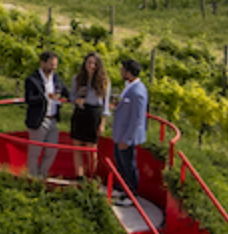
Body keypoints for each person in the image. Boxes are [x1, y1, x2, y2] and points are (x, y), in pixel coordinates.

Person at [65, 52, 108, 182]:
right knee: (77, 146)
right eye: (89, 62)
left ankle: (91, 176)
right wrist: (75, 100)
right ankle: (80, 176)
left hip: (94, 113)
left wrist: (103, 123)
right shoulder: (77, 78)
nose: (91, 66)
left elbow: (106, 105)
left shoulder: (104, 81)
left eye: (94, 63)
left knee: (91, 149)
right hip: (80, 112)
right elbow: (71, 96)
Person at [112, 57, 150, 204]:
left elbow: (137, 119)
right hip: (120, 134)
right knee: (120, 164)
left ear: (129, 72)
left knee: (128, 165)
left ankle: (131, 195)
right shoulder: (128, 87)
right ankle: (122, 189)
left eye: (123, 69)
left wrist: (127, 139)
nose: (121, 71)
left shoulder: (138, 91)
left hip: (126, 136)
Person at [22, 49, 63, 180]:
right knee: (35, 151)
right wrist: (45, 97)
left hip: (53, 119)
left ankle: (42, 175)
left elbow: (65, 91)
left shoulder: (56, 79)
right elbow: (29, 98)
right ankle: (32, 177)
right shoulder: (32, 80)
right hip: (38, 119)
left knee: (52, 150)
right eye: (51, 64)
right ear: (42, 63)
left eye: (55, 65)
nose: (53, 68)